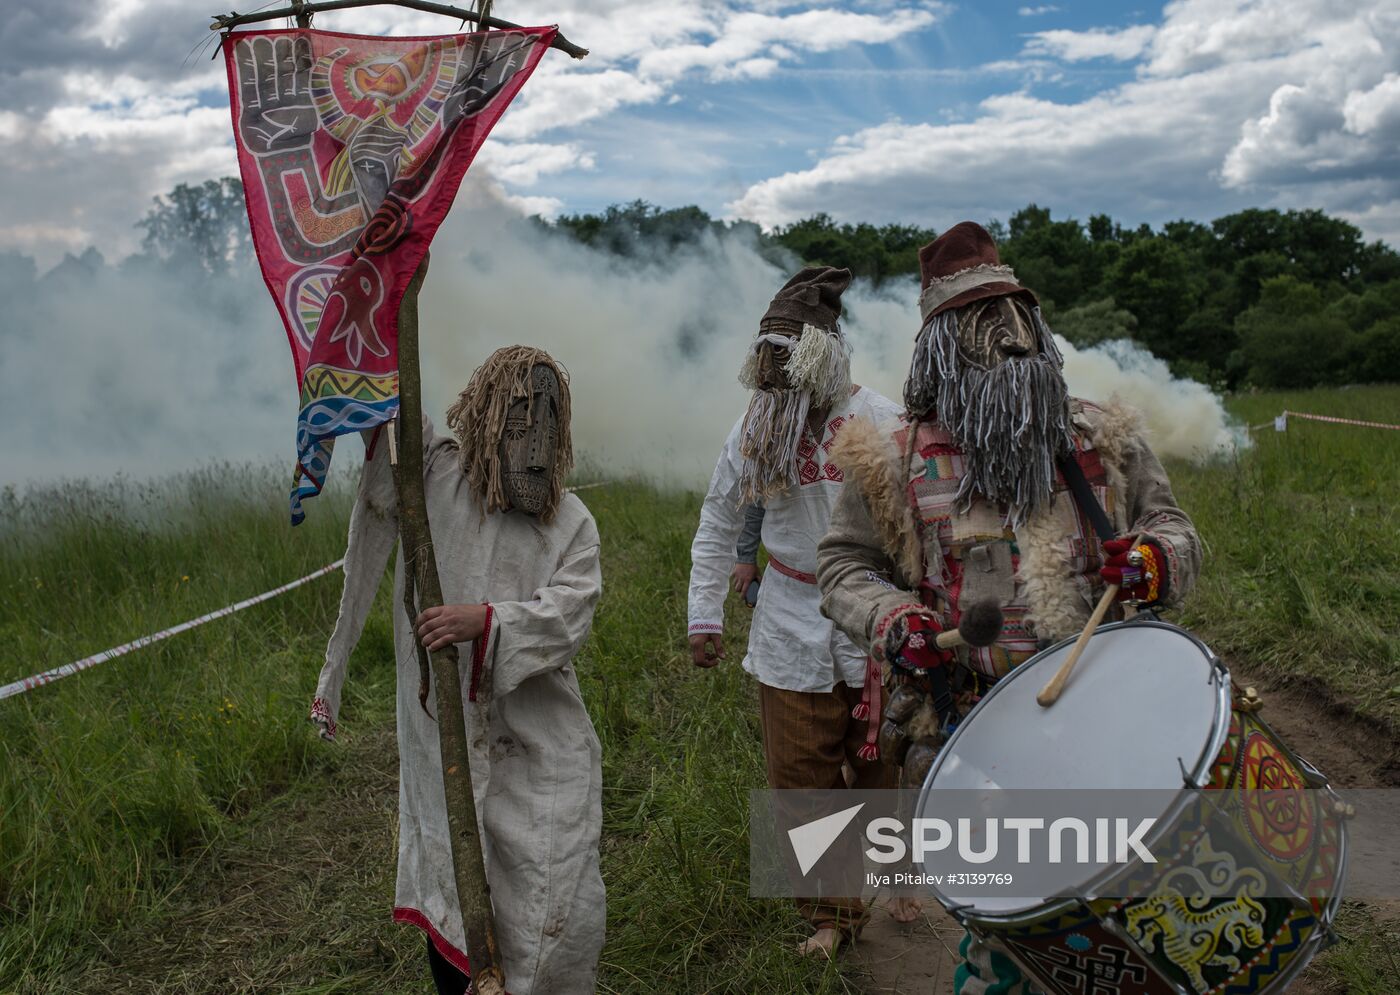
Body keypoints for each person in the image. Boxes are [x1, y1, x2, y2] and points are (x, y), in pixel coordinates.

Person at [816, 222, 1202, 995]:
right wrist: (896, 621)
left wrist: (1154, 558)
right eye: (981, 325)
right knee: (1016, 930)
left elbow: (1172, 526)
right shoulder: (890, 457)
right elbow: (843, 566)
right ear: (940, 349)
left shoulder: (1106, 437)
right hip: (975, 735)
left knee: (1130, 907)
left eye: (1018, 320)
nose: (1009, 343)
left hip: (1112, 722)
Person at [310, 346, 604, 995]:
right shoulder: (435, 477)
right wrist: (385, 322)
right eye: (520, 422)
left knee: (550, 874)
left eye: (549, 426)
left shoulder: (572, 522)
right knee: (456, 876)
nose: (536, 448)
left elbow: (569, 614)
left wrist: (488, 622)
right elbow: (387, 414)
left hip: (537, 738)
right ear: (486, 419)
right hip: (443, 736)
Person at [686, 266, 903, 957]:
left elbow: (925, 525)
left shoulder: (883, 420)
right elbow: (719, 518)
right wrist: (704, 614)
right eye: (770, 355)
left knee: (883, 762)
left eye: (792, 354)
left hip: (872, 610)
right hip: (787, 616)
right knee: (800, 775)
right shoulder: (755, 426)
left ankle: (895, 871)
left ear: (824, 354)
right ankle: (832, 914)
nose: (778, 369)